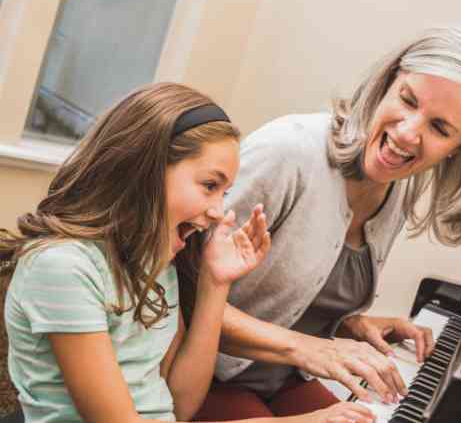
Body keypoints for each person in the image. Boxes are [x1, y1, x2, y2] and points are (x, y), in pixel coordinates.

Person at [177, 27, 461, 420]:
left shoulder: (397, 187)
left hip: (282, 379)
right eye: (407, 100)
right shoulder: (288, 152)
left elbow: (291, 298)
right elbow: (174, 294)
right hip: (201, 376)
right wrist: (308, 348)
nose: (408, 132)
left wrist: (350, 325)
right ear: (386, 84)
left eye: (439, 128)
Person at [0, 83, 374, 423]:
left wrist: (215, 282)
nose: (216, 212)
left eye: (223, 193)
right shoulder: (62, 268)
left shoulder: (156, 264)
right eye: (209, 185)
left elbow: (179, 405)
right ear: (144, 170)